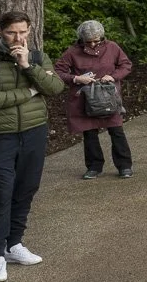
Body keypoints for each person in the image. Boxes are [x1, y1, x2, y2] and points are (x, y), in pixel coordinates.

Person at [0, 10, 66, 282]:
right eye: (11, 32)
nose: (17, 38)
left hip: (33, 131)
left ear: (29, 31)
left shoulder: (36, 58)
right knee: (1, 193)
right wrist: (30, 92)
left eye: (22, 32)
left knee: (26, 188)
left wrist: (27, 67)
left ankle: (14, 245)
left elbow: (55, 87)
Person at [55, 20, 135, 178]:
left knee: (116, 130)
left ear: (102, 37)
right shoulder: (72, 52)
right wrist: (77, 79)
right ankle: (94, 166)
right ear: (81, 40)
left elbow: (125, 65)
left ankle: (124, 166)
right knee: (89, 133)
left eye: (96, 41)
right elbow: (58, 71)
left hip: (108, 96)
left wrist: (113, 76)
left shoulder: (112, 47)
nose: (92, 45)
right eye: (88, 42)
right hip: (85, 98)